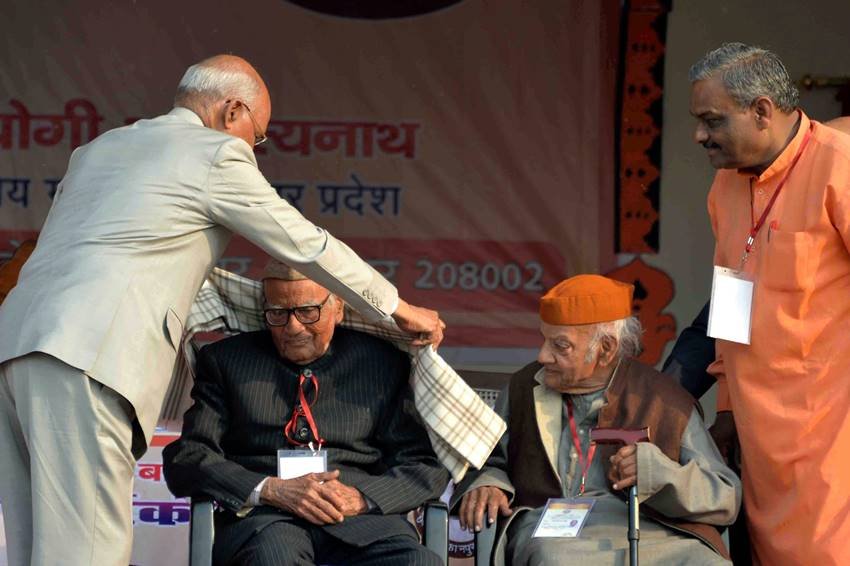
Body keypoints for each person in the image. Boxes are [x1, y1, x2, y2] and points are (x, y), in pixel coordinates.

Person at [0, 55, 444, 566]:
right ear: (232, 111)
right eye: (258, 138)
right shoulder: (212, 154)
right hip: (86, 353)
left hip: (17, 345)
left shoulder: (99, 148)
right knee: (86, 549)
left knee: (38, 546)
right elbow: (306, 245)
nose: (254, 152)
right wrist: (395, 307)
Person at [162, 261, 449, 565]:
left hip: (363, 524)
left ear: (337, 307)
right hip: (265, 522)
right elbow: (188, 457)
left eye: (308, 311)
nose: (293, 327)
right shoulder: (226, 361)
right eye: (278, 313)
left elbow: (424, 466)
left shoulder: (381, 362)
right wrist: (269, 490)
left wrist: (360, 497)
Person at [689, 43, 850, 564]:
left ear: (761, 110)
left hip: (831, 431)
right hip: (760, 437)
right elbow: (731, 296)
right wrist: (729, 410)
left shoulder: (839, 167)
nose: (699, 135)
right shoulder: (724, 185)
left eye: (711, 120)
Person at [452, 275, 740, 566]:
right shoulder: (524, 389)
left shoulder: (665, 400)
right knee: (554, 558)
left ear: (606, 349)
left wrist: (660, 474)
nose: (542, 356)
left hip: (651, 529)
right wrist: (489, 483)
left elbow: (726, 497)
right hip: (552, 529)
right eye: (544, 340)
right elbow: (485, 458)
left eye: (560, 346)